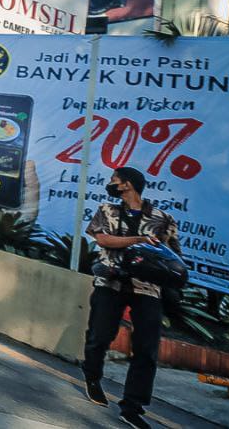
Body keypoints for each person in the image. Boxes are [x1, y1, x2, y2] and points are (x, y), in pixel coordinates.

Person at [80, 166, 181, 429]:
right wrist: (139, 240)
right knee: (100, 337)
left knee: (147, 349)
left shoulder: (163, 219)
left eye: (115, 180)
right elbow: (103, 240)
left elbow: (173, 255)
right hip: (110, 282)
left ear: (128, 184)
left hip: (147, 288)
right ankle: (92, 376)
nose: (111, 184)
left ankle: (132, 408)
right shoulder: (107, 210)